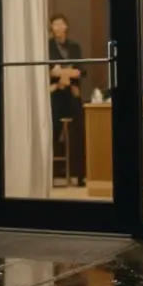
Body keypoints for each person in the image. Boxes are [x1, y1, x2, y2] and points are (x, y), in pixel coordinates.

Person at [48, 13, 86, 187]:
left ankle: (80, 175)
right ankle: (52, 173)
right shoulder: (47, 47)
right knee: (53, 129)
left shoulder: (74, 47)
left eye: (60, 24)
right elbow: (49, 71)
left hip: (71, 92)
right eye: (54, 25)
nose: (58, 28)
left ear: (66, 26)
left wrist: (62, 73)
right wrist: (65, 72)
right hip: (55, 94)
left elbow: (80, 71)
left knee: (79, 129)